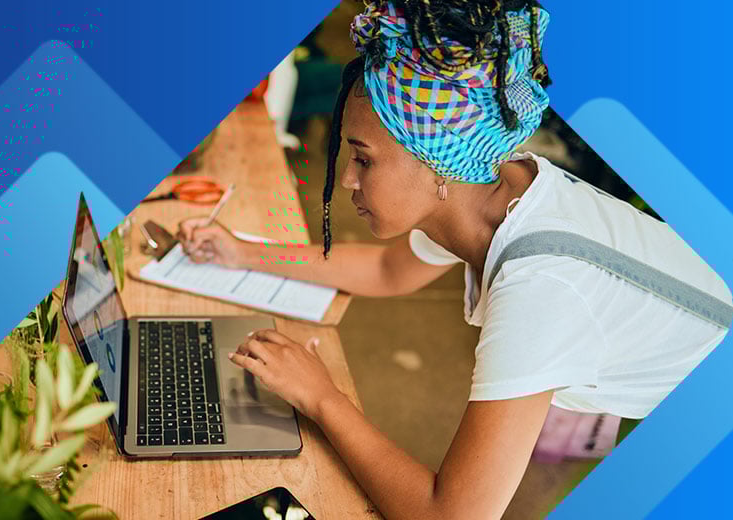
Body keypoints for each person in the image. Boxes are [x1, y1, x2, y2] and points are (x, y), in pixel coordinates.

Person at [177, 1, 732, 518]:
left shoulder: (541, 288)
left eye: (364, 160)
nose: (346, 180)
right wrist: (241, 252)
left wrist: (323, 398)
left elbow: (453, 513)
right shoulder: (492, 186)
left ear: (437, 165)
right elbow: (388, 271)